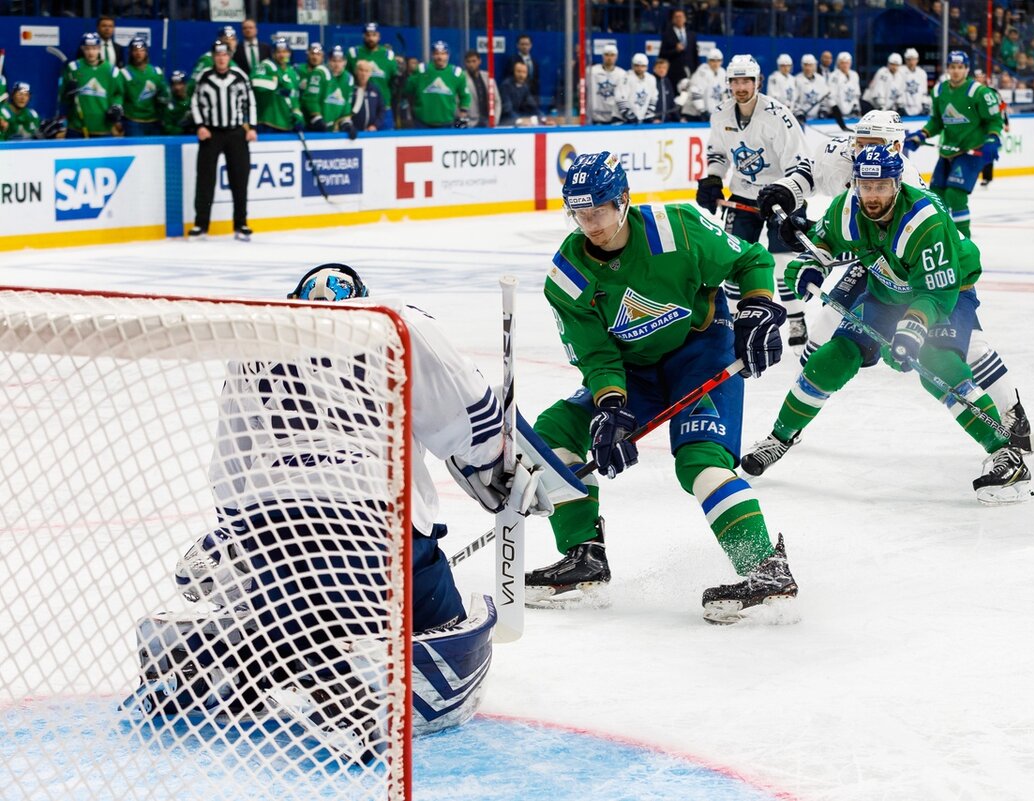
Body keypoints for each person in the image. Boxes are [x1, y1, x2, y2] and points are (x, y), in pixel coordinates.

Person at [139, 265, 576, 758]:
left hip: (270, 535)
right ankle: (355, 680)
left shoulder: (258, 341)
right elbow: (471, 419)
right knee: (447, 624)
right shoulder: (398, 323)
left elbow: (229, 469)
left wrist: (237, 536)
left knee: (289, 612)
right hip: (375, 527)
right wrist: (498, 471)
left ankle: (231, 654)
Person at [526, 151, 799, 625]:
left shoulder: (678, 227)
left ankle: (765, 568)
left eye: (600, 211)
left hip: (702, 353)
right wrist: (611, 408)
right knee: (553, 431)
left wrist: (757, 305)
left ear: (624, 201)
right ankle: (584, 555)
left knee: (699, 459)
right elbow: (597, 355)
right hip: (634, 373)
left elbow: (750, 258)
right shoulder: (567, 277)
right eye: (580, 213)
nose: (590, 224)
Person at [744, 110, 1034, 475]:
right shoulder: (847, 207)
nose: (872, 196)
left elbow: (937, 294)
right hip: (887, 289)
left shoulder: (923, 221)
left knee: (938, 363)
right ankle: (780, 437)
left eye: (881, 186)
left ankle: (1004, 451)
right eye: (865, 187)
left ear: (897, 184)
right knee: (835, 355)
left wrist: (913, 327)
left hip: (947, 288)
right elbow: (823, 244)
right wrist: (807, 266)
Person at [697, 55, 810, 353]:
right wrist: (712, 179)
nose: (741, 87)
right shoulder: (721, 114)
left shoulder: (778, 116)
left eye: (747, 80)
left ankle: (797, 318)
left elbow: (798, 163)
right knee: (733, 261)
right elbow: (718, 154)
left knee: (784, 262)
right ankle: (737, 321)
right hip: (744, 195)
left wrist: (787, 197)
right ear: (729, 83)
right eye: (735, 81)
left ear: (758, 81)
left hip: (781, 196)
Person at [903, 51, 1002, 238]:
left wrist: (992, 139)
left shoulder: (979, 93)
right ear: (948, 68)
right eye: (952, 67)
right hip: (948, 151)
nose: (956, 71)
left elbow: (995, 121)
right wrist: (922, 135)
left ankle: (963, 240)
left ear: (967, 70)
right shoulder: (939, 91)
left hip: (972, 151)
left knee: (955, 195)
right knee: (935, 197)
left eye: (960, 67)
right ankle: (941, 237)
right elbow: (937, 121)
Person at [190, 41, 256, 240]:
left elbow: (250, 102)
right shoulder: (204, 77)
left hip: (236, 133)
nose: (221, 58)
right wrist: (200, 125)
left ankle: (241, 224)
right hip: (212, 133)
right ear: (213, 57)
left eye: (225, 55)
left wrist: (251, 127)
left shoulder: (239, 77)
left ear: (229, 57)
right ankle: (201, 225)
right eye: (218, 55)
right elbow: (194, 102)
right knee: (205, 180)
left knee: (240, 180)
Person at [58, 32, 124, 138]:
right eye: (87, 48)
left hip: (103, 126)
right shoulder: (73, 68)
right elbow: (63, 98)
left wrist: (116, 105)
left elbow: (118, 94)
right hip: (77, 126)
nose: (91, 52)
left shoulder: (112, 71)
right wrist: (68, 93)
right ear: (82, 49)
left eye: (94, 48)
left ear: (99, 49)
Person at [403, 41, 469, 129]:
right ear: (432, 55)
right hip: (421, 122)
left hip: (447, 123)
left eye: (443, 53)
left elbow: (465, 96)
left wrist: (463, 114)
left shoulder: (456, 73)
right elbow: (408, 89)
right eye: (436, 53)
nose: (440, 57)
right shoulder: (422, 70)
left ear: (448, 55)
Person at [347, 22, 398, 130]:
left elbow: (394, 82)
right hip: (359, 108)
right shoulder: (353, 53)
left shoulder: (388, 55)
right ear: (363, 36)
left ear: (379, 36)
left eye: (374, 35)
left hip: (384, 109)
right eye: (368, 35)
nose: (371, 38)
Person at [118, 37, 169, 137]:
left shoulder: (156, 72)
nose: (138, 53)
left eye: (142, 50)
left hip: (154, 121)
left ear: (146, 52)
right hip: (133, 122)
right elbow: (118, 95)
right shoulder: (123, 73)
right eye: (135, 50)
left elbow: (165, 94)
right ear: (130, 53)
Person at [252, 38, 303, 135]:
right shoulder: (266, 65)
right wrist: (275, 81)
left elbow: (295, 97)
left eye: (285, 52)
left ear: (289, 53)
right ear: (273, 54)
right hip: (268, 123)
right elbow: (256, 83)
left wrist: (298, 115)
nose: (282, 55)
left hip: (288, 123)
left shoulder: (293, 72)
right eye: (278, 52)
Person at [303, 46, 355, 137]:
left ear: (345, 62)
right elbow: (311, 98)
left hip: (334, 129)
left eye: (340, 61)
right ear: (328, 61)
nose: (337, 64)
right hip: (314, 126)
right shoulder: (320, 72)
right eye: (334, 61)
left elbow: (346, 104)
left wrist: (346, 123)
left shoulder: (349, 79)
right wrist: (317, 118)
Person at [681, 48, 725, 122]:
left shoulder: (722, 72)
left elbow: (723, 93)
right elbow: (695, 92)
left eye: (718, 60)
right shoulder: (702, 72)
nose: (716, 63)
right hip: (694, 114)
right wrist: (702, 110)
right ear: (708, 61)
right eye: (713, 60)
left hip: (711, 114)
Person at [588, 43, 626, 125]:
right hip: (596, 117)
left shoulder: (622, 74)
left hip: (615, 117)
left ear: (616, 56)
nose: (609, 58)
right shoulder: (592, 71)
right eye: (607, 55)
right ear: (602, 56)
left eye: (612, 55)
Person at [660, 8, 698, 88]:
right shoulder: (667, 35)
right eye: (676, 17)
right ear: (673, 19)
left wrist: (696, 70)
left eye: (681, 16)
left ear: (685, 19)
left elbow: (695, 54)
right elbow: (662, 54)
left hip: (690, 72)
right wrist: (675, 50)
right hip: (673, 74)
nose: (679, 19)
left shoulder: (691, 35)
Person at [615, 52, 657, 124]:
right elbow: (620, 98)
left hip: (641, 120)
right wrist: (629, 114)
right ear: (633, 66)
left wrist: (649, 113)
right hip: (623, 120)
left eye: (643, 66)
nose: (640, 68)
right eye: (637, 66)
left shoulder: (651, 79)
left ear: (647, 67)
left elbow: (654, 97)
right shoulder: (625, 78)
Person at [463, 49, 498, 128]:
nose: (471, 64)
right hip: (469, 122)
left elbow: (497, 100)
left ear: (479, 61)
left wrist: (494, 120)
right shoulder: (461, 78)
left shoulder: (488, 77)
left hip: (488, 121)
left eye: (474, 61)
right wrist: (464, 122)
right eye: (468, 62)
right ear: (465, 63)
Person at [498, 60, 539, 126]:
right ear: (513, 72)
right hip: (506, 121)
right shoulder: (506, 86)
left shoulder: (525, 86)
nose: (521, 75)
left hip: (520, 119)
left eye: (524, 72)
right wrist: (520, 120)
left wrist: (543, 118)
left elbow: (532, 106)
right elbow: (507, 109)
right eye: (519, 71)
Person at [348, 58, 383, 133]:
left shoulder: (375, 90)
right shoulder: (350, 88)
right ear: (356, 71)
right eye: (361, 70)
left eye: (367, 71)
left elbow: (381, 110)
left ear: (370, 73)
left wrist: (375, 125)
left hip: (371, 133)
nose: (363, 74)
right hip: (354, 132)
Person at [827, 51, 861, 120]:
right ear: (838, 63)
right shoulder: (833, 76)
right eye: (842, 63)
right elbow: (831, 96)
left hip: (852, 112)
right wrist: (835, 109)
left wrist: (856, 106)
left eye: (847, 63)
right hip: (838, 113)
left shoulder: (854, 75)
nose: (845, 65)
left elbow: (856, 94)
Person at [793, 53, 827, 121]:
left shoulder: (821, 79)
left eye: (810, 65)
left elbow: (825, 98)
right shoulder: (796, 80)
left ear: (814, 66)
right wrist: (799, 113)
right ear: (802, 66)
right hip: (801, 119)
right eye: (806, 65)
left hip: (817, 119)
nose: (808, 68)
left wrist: (823, 110)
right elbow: (794, 101)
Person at [161, 71, 195, 136]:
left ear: (186, 84)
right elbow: (167, 127)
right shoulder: (168, 106)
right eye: (174, 84)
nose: (177, 88)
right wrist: (182, 130)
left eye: (180, 84)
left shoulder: (193, 100)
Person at [897, 48, 930, 116]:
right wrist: (899, 105)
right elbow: (897, 90)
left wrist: (925, 104)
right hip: (903, 109)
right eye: (909, 59)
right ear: (905, 60)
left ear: (917, 60)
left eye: (914, 59)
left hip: (919, 108)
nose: (911, 62)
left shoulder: (922, 73)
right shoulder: (899, 71)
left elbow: (924, 92)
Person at [505, 34, 539, 100]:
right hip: (518, 95)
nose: (525, 47)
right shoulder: (513, 60)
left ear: (531, 45)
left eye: (527, 44)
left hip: (532, 95)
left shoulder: (534, 61)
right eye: (522, 44)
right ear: (517, 45)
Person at [649, 56, 679, 123]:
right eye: (659, 67)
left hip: (666, 123)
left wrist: (679, 119)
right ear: (654, 68)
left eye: (664, 68)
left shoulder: (667, 82)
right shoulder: (650, 81)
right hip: (652, 123)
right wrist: (651, 119)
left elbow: (672, 102)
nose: (662, 70)